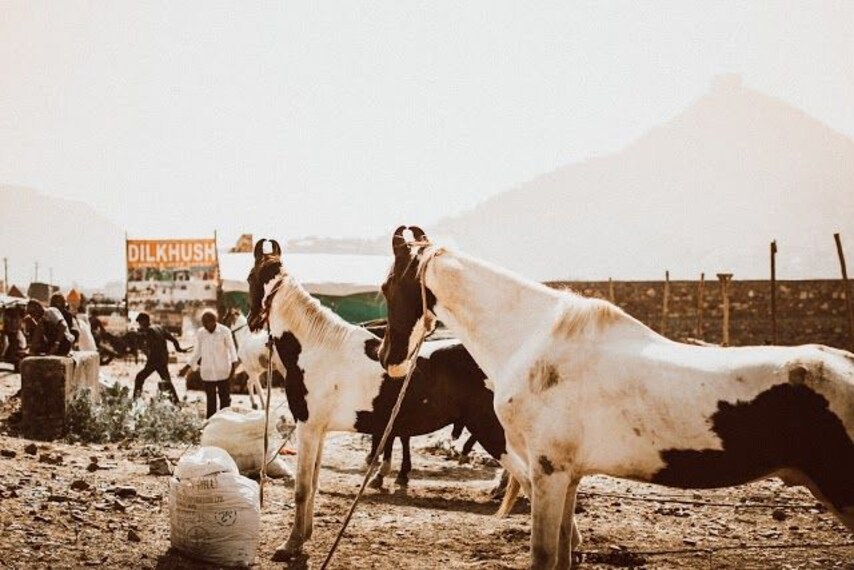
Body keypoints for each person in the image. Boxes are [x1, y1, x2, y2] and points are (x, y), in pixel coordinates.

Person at [180, 310, 238, 418]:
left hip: (223, 371)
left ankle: (225, 422)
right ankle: (211, 422)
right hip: (208, 372)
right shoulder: (201, 333)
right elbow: (197, 352)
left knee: (225, 400)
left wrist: (233, 369)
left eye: (207, 323)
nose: (205, 325)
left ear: (214, 321)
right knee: (211, 401)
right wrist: (187, 367)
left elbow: (232, 350)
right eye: (203, 323)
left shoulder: (224, 331)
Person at [134, 312, 187, 403]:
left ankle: (135, 400)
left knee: (139, 378)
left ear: (145, 321)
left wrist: (148, 362)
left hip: (155, 360)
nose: (140, 325)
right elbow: (173, 339)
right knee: (167, 381)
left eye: (140, 323)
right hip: (163, 358)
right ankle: (176, 402)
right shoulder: (159, 327)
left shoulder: (149, 331)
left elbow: (152, 349)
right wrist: (178, 348)